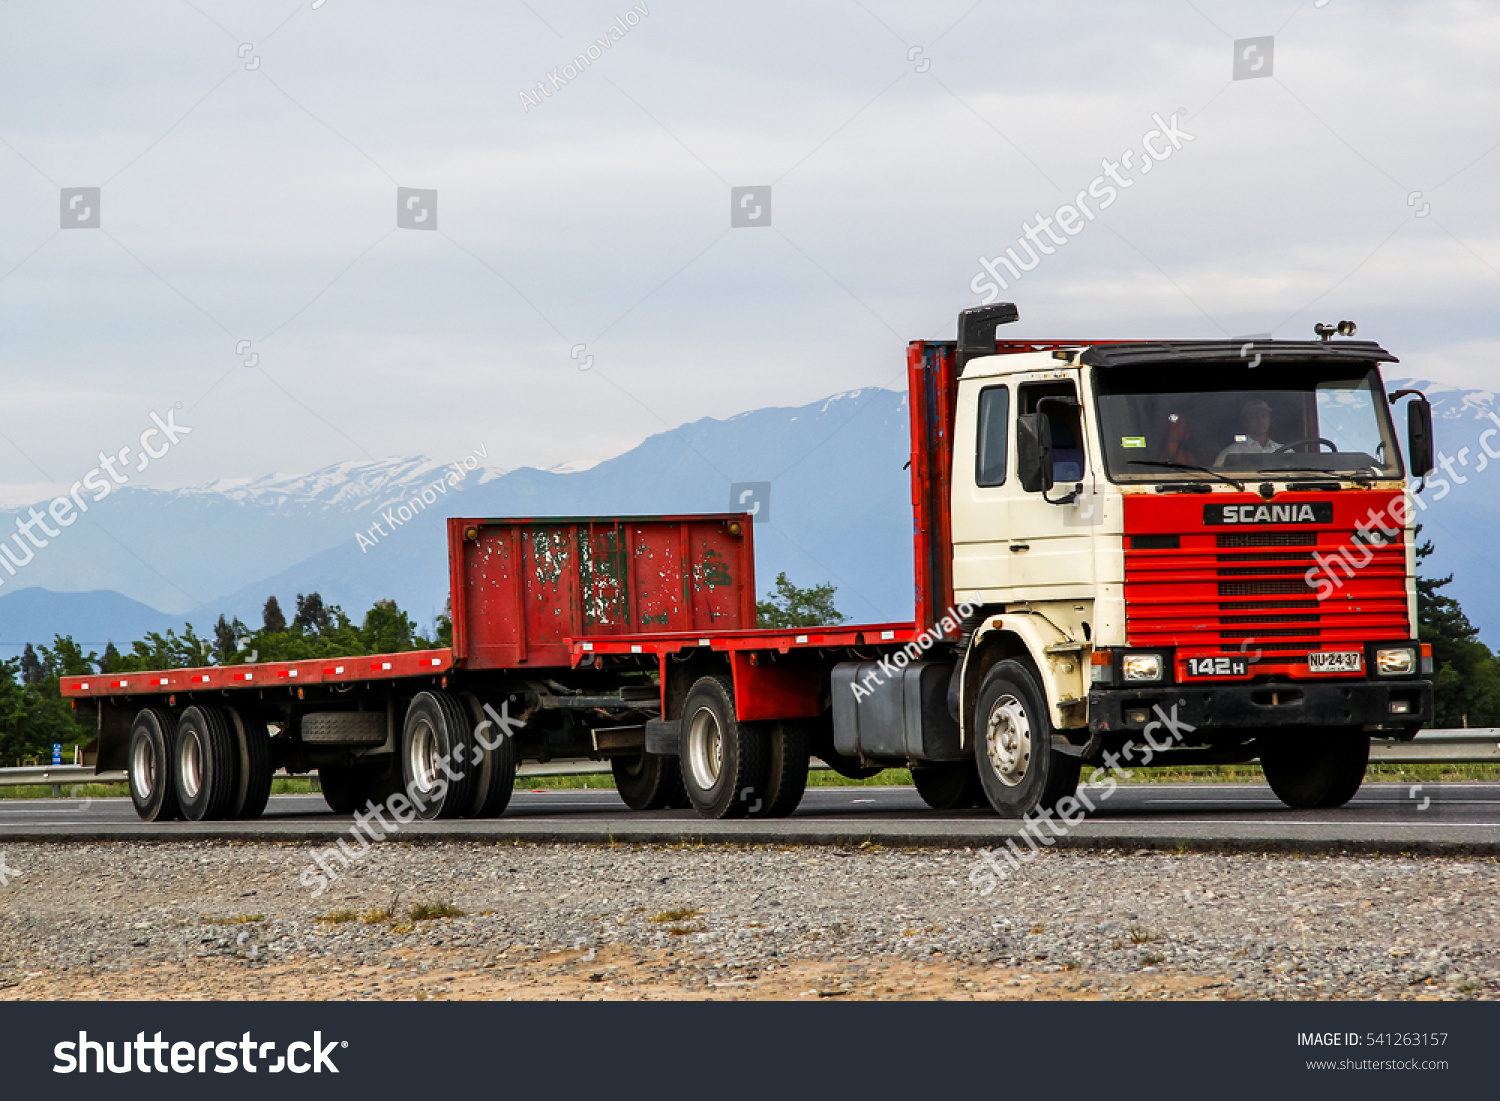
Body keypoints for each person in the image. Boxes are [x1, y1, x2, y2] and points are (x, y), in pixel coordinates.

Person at [1214, 398, 1281, 466]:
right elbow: (1214, 475)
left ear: (1269, 419)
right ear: (1245, 421)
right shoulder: (1231, 452)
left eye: (1264, 416)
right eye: (1254, 416)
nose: (1260, 421)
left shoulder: (1284, 452)